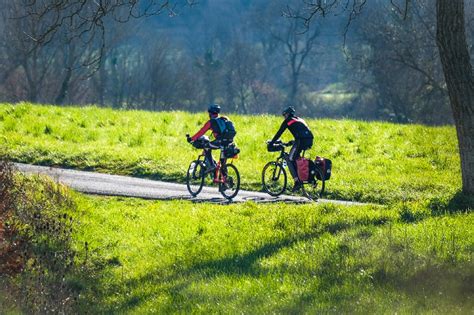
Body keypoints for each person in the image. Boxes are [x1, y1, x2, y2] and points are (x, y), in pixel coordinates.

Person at [269, 106, 314, 192]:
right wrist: (291, 142)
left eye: (284, 115)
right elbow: (301, 132)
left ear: (288, 114)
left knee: (290, 159)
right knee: (296, 158)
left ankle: (297, 181)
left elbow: (279, 133)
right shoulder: (299, 119)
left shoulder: (288, 121)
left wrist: (271, 143)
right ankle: (303, 176)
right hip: (309, 140)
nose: (284, 117)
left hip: (301, 141)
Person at [187, 104, 235, 173]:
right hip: (229, 142)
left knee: (207, 147)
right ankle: (225, 180)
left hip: (220, 142)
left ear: (210, 113)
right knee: (222, 164)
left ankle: (212, 165)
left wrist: (191, 139)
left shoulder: (211, 122)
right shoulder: (224, 119)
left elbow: (201, 132)